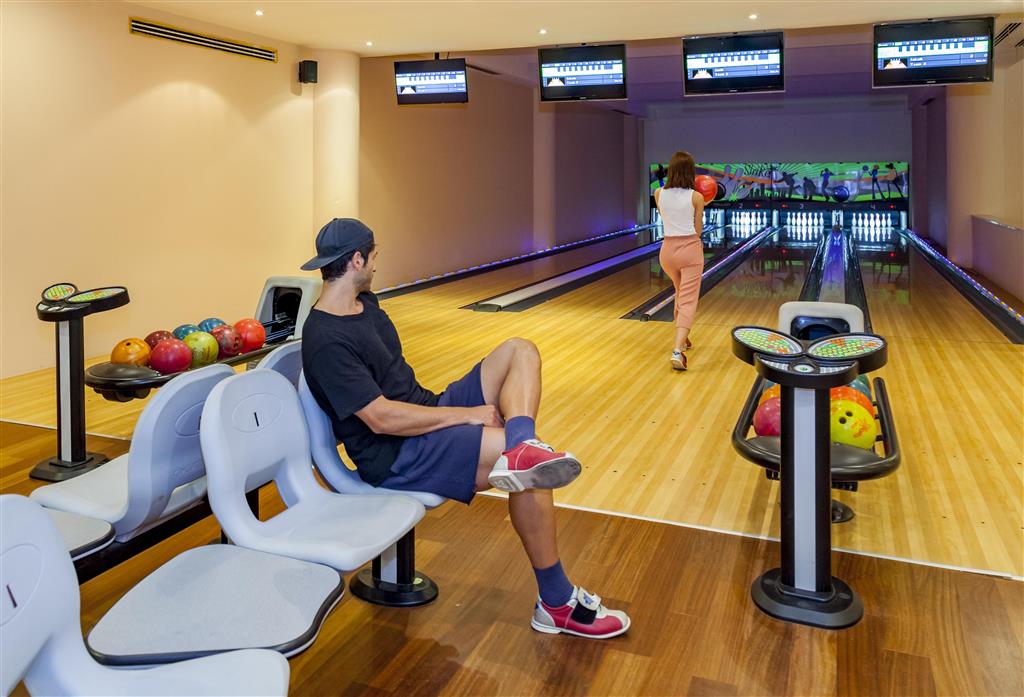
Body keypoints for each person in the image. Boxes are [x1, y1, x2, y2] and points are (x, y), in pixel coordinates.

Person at [300, 218, 630, 640]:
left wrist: (456, 412)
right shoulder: (325, 338)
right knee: (536, 473)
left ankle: (522, 444)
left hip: (425, 412)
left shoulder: (366, 304)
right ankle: (556, 602)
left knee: (520, 351)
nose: (377, 265)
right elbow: (381, 418)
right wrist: (466, 414)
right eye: (374, 256)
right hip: (396, 453)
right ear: (357, 260)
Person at [653, 151, 705, 371]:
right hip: (689, 250)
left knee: (680, 293)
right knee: (688, 300)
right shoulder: (697, 197)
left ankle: (684, 339)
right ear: (691, 172)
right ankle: (677, 351)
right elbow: (698, 230)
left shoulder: (658, 193)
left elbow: (668, 217)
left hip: (667, 251)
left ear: (671, 170)